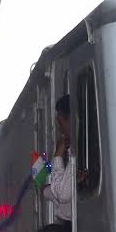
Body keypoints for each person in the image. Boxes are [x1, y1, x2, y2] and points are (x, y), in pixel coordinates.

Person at [42, 95, 78, 223]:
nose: (60, 129)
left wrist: (58, 155)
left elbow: (62, 194)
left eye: (60, 122)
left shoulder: (77, 150)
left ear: (71, 120)